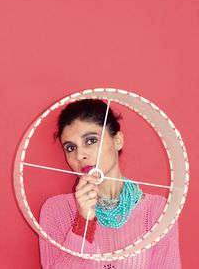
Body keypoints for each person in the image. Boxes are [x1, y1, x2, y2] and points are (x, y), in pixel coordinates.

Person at [39, 99, 181, 269]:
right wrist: (84, 222)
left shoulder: (158, 211)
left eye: (90, 140)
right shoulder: (55, 210)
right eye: (70, 148)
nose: (80, 155)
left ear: (118, 140)